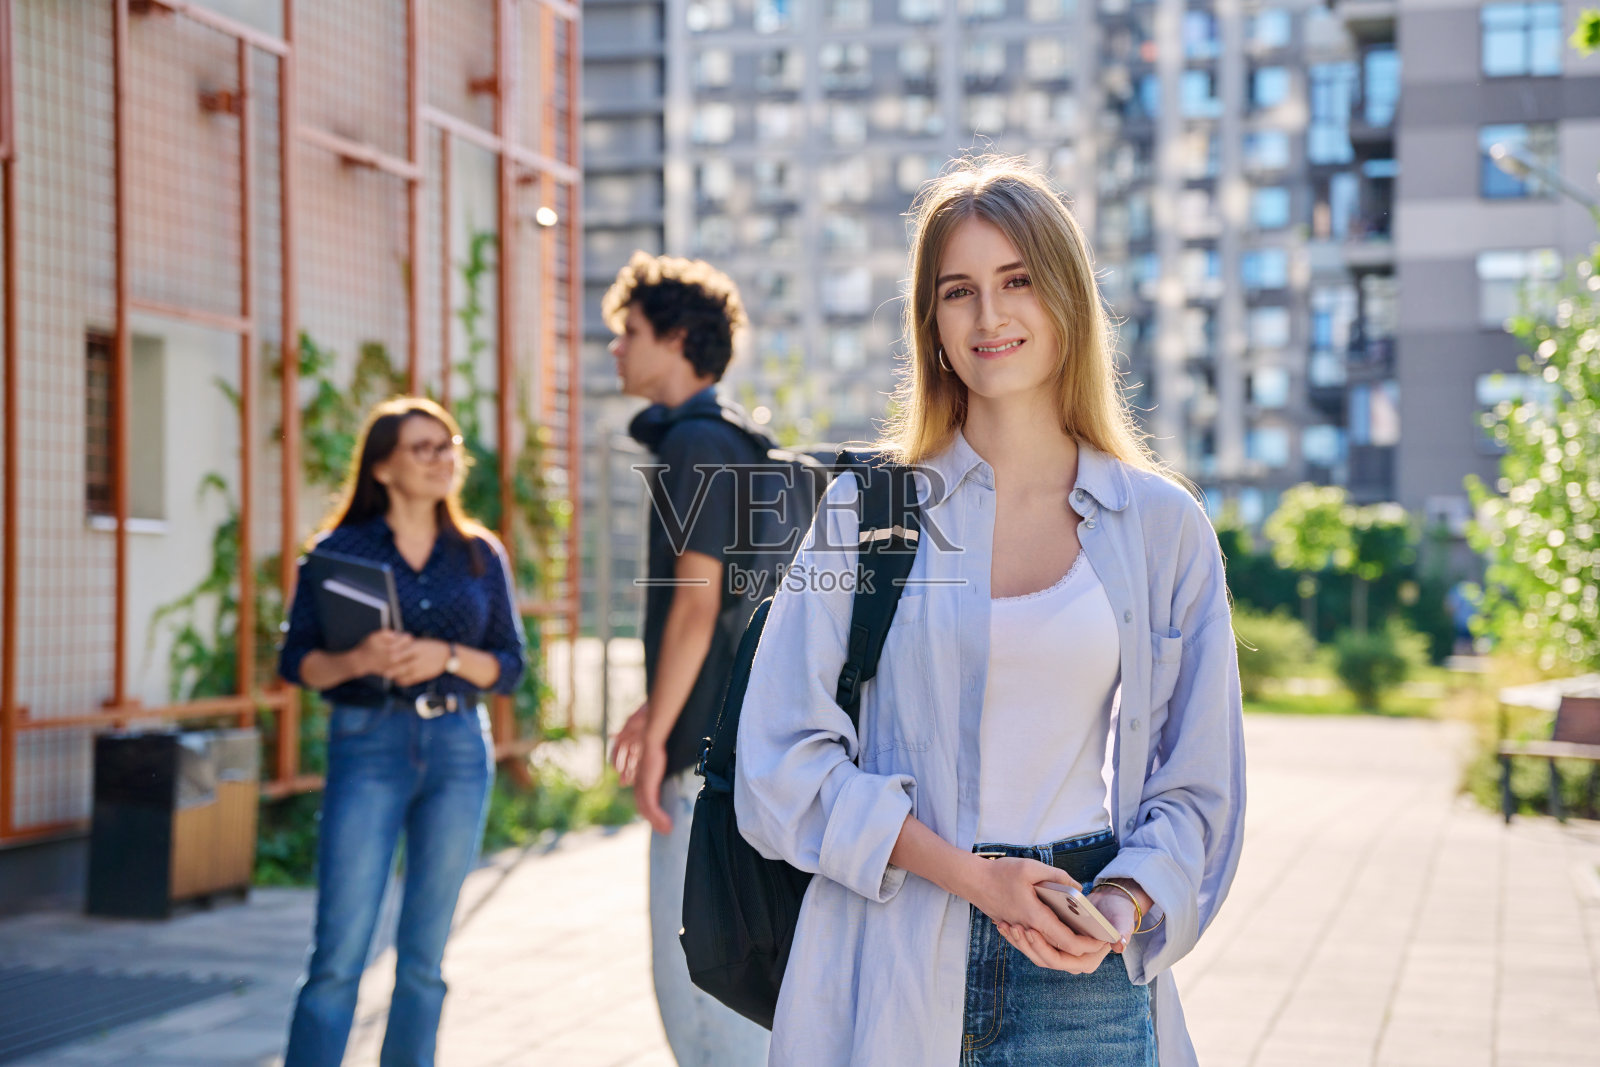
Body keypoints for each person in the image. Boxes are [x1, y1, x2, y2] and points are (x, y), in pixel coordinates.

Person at [734, 157, 1246, 1066]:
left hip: (1079, 957)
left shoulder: (1162, 525)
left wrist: (1122, 906)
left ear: (1067, 300)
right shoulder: (866, 513)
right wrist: (975, 879)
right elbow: (779, 759)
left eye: (1017, 281)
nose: (990, 315)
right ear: (930, 322)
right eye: (957, 291)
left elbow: (1198, 783)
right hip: (888, 951)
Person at [278, 397, 526, 1067]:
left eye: (448, 445)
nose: (443, 458)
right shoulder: (339, 551)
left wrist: (443, 656)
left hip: (456, 750)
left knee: (424, 957)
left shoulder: (479, 553)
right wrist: (359, 659)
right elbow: (295, 660)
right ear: (383, 466)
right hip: (368, 743)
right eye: (424, 447)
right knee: (338, 955)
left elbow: (509, 664)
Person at [604, 251, 774, 1065]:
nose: (615, 347)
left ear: (675, 338)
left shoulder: (695, 440)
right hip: (742, 746)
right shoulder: (735, 438)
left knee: (700, 998)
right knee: (729, 981)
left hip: (703, 761)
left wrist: (658, 746)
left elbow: (699, 602)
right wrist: (652, 709)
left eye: (627, 331)